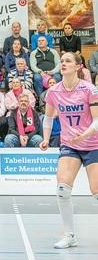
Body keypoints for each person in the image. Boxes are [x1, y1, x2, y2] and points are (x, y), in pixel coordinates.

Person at [39, 52, 98, 249]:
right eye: (62, 61)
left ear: (78, 66)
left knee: (96, 191)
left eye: (68, 61)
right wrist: (45, 139)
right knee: (62, 188)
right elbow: (48, 118)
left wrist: (84, 136)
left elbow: (97, 120)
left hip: (93, 144)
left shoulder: (89, 89)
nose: (63, 63)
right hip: (70, 144)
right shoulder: (53, 91)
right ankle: (69, 235)